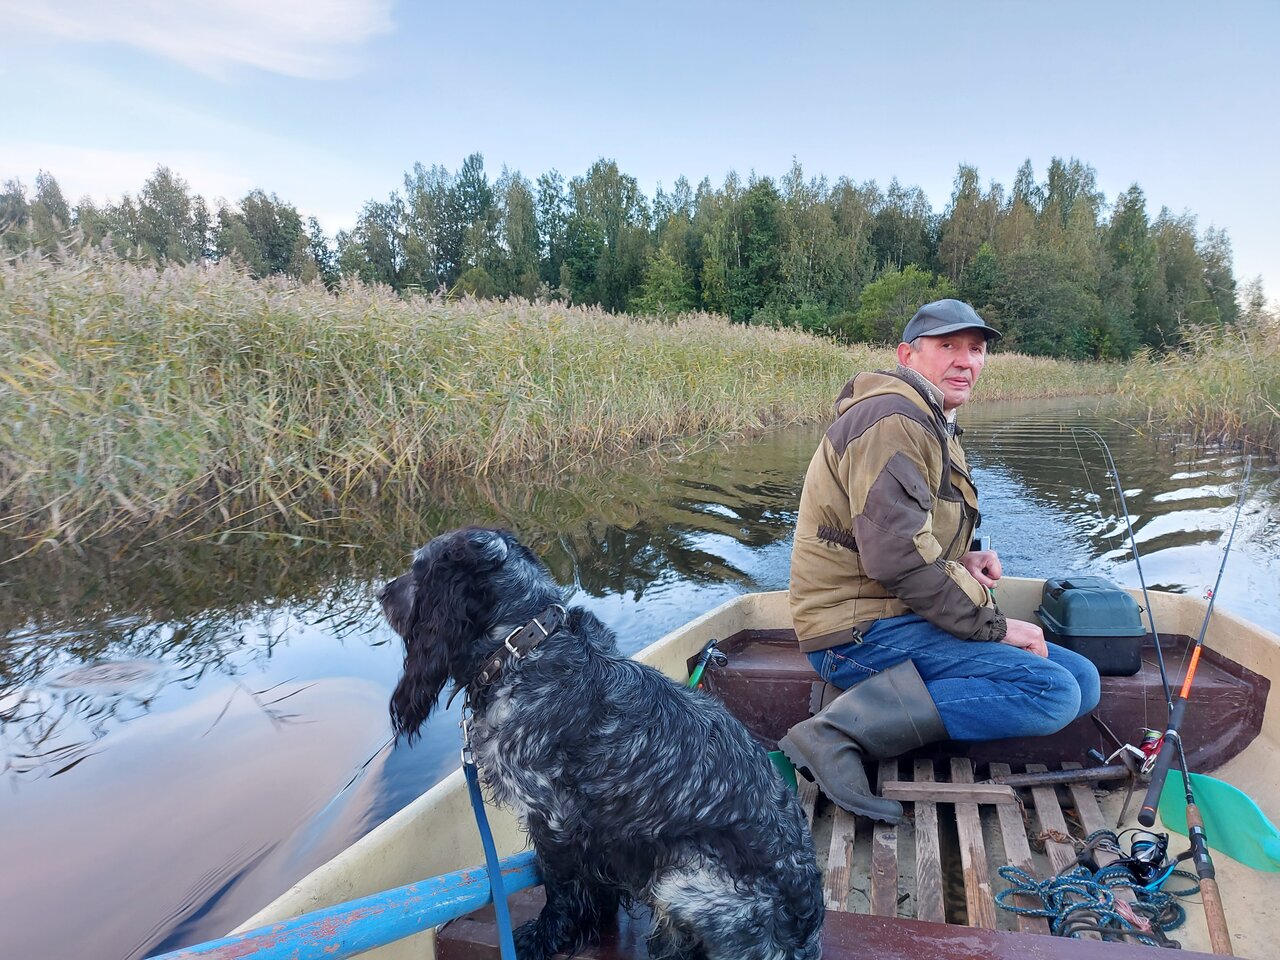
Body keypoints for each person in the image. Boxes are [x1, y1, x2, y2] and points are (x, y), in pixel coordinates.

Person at [779, 299, 1101, 822]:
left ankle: (894, 711)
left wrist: (963, 559)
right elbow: (896, 557)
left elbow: (905, 538)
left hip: (896, 612)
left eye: (975, 349)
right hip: (853, 633)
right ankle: (835, 734)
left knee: (1083, 680)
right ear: (907, 355)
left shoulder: (932, 419)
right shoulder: (894, 420)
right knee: (1053, 691)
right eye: (947, 345)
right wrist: (997, 628)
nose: (965, 360)